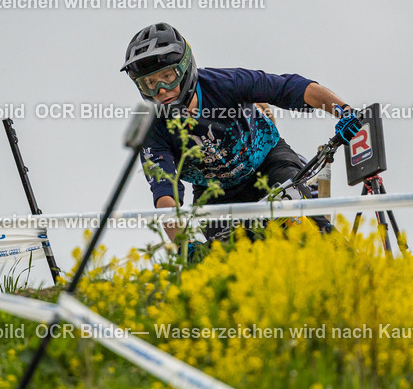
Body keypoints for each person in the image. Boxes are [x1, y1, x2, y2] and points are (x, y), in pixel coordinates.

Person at [120, 22, 362, 241]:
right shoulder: (153, 129)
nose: (161, 90)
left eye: (167, 77)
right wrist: (184, 245)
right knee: (222, 265)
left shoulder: (226, 83)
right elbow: (165, 195)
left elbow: (290, 88)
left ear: (185, 68)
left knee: (309, 228)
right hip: (215, 193)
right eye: (149, 83)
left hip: (267, 164)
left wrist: (344, 110)